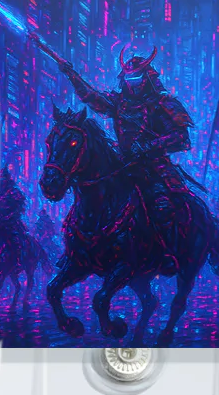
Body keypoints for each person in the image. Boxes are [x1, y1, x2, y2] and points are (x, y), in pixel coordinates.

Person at [55, 45, 193, 271]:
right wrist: (70, 74)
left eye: (137, 78)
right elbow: (91, 96)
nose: (132, 84)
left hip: (154, 167)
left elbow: (182, 138)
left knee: (162, 206)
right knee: (91, 196)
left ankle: (169, 253)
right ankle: (78, 250)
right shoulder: (119, 102)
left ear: (147, 78)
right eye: (129, 79)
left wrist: (150, 146)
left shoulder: (164, 104)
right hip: (122, 164)